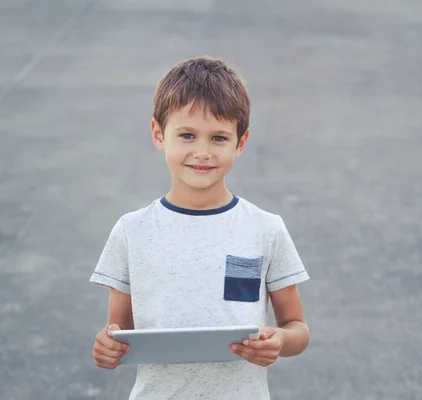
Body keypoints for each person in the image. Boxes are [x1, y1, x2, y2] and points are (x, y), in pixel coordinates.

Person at [89, 56, 310, 399]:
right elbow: (119, 331)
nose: (202, 152)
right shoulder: (132, 231)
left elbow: (297, 328)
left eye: (219, 138)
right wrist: (107, 346)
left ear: (241, 141)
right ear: (159, 135)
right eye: (188, 135)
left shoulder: (265, 229)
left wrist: (279, 341)